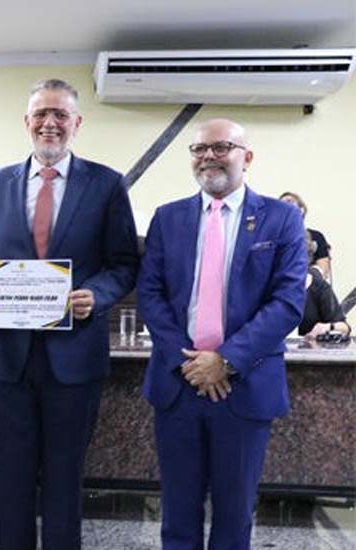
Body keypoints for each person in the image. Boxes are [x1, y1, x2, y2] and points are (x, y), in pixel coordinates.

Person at [0, 79, 139, 549]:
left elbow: (124, 264)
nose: (50, 123)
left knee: (65, 480)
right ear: (26, 122)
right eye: (41, 113)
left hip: (74, 357)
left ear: (77, 123)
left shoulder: (106, 184)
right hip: (10, 359)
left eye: (60, 114)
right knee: (10, 479)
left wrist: (95, 295)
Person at [137, 118, 308, 549]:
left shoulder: (282, 219)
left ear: (246, 158)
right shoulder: (167, 217)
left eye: (221, 147)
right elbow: (151, 295)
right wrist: (189, 362)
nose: (208, 156)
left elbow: (287, 302)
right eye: (198, 149)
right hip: (178, 385)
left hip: (244, 389)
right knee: (177, 513)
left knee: (234, 517)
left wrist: (225, 361)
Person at [300, 231, 349, 338]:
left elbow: (344, 327)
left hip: (307, 353)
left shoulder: (318, 285)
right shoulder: (265, 285)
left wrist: (328, 327)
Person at [278, 191, 332, 283]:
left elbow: (323, 270)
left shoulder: (316, 236)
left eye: (289, 201)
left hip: (310, 286)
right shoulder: (274, 238)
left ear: (301, 210)